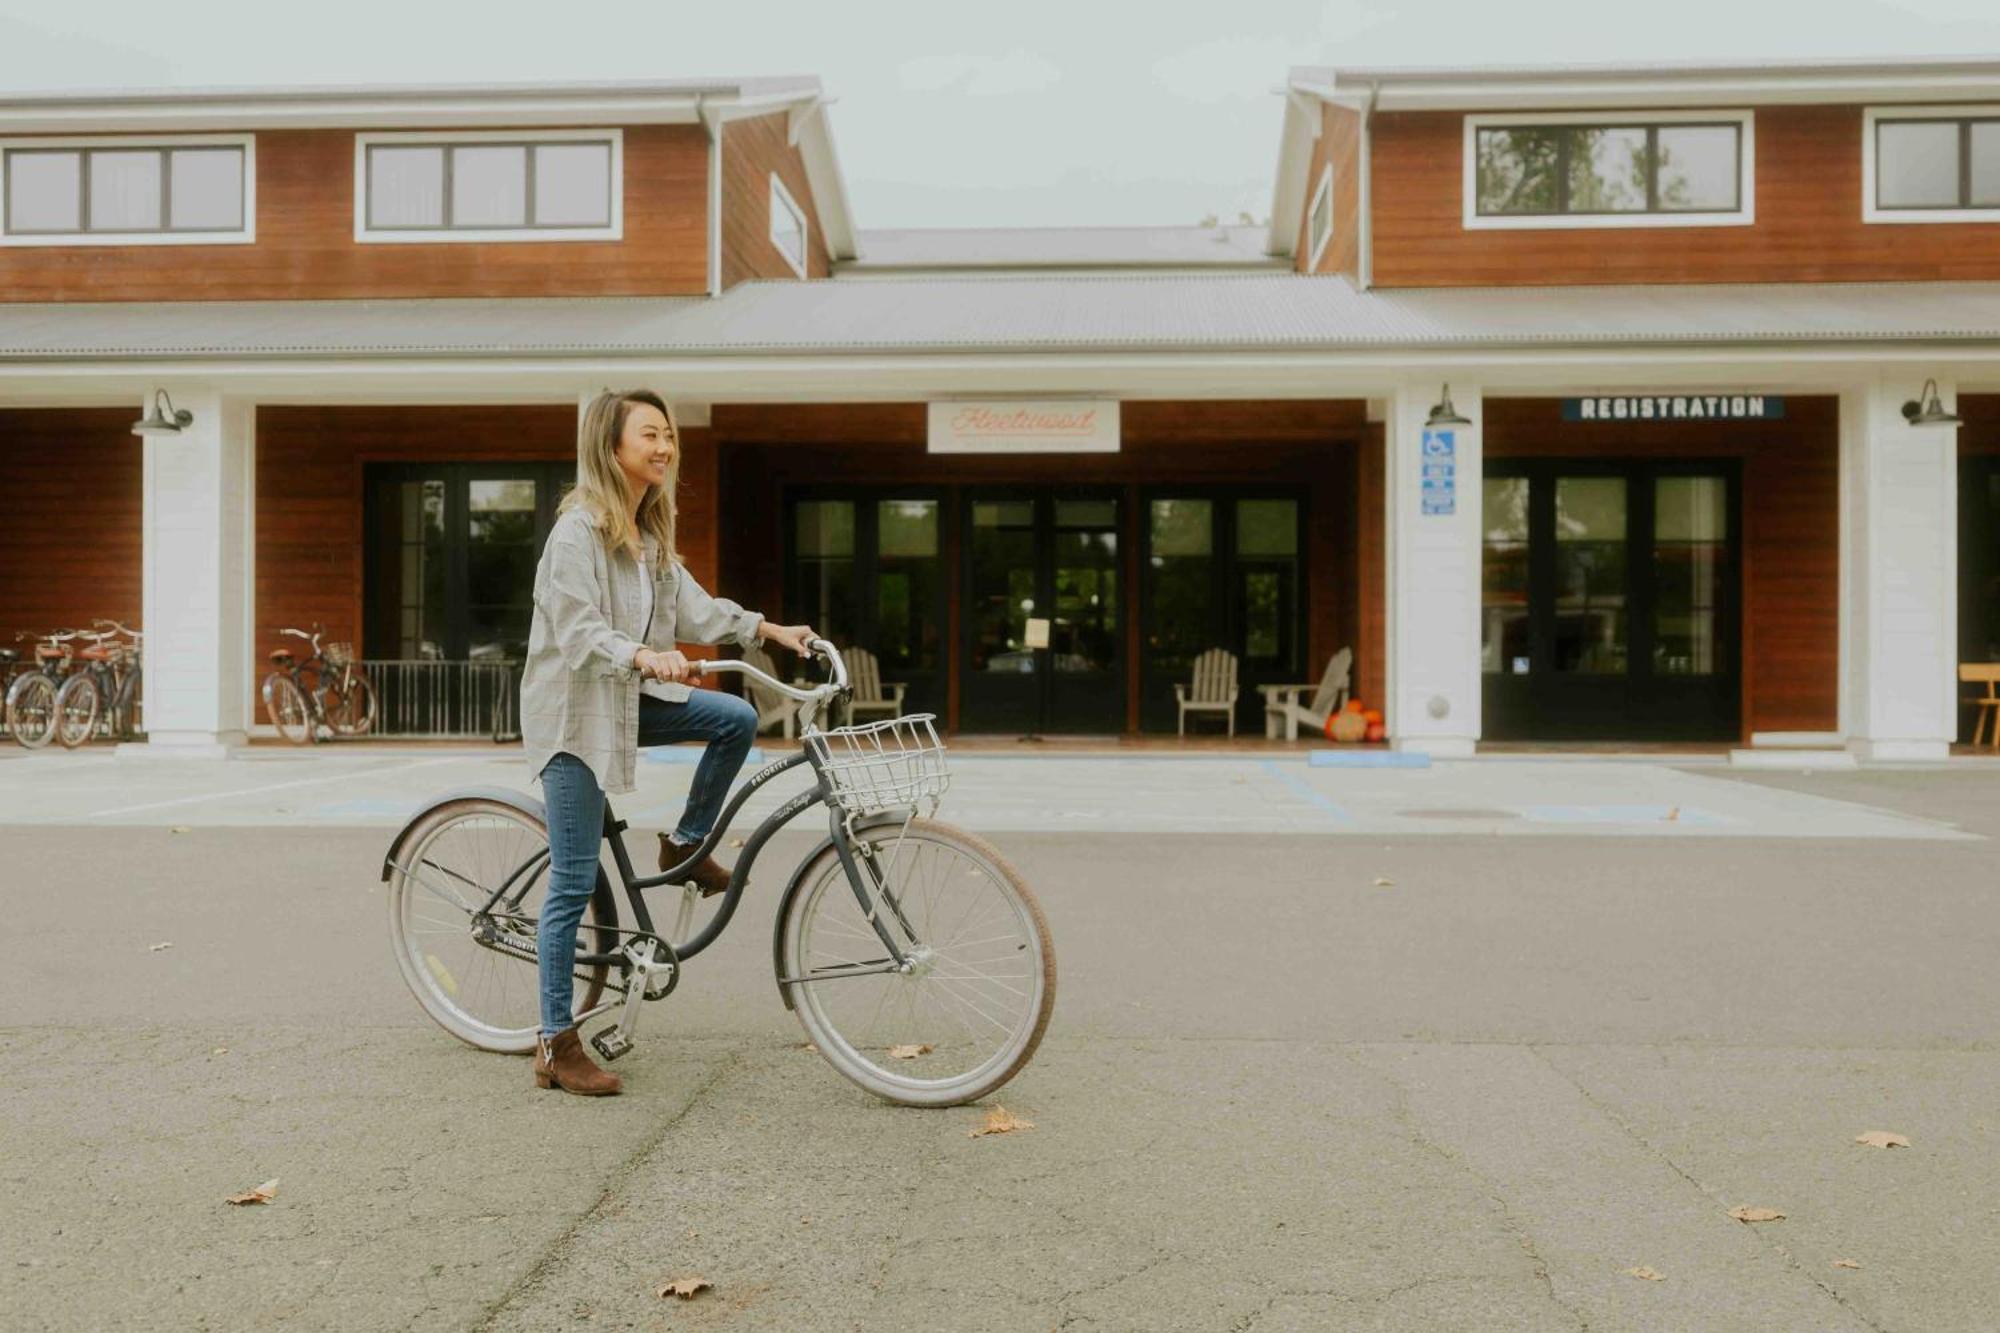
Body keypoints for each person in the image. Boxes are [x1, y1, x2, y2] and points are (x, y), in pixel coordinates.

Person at [519, 388, 815, 1095]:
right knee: (571, 878)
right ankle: (554, 1043)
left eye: (670, 436)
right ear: (612, 444)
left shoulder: (647, 537)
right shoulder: (576, 535)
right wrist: (638, 654)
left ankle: (684, 843)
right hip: (574, 717)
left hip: (625, 701)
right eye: (650, 434)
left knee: (734, 720)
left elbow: (698, 608)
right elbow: (578, 629)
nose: (664, 447)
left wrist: (770, 630)